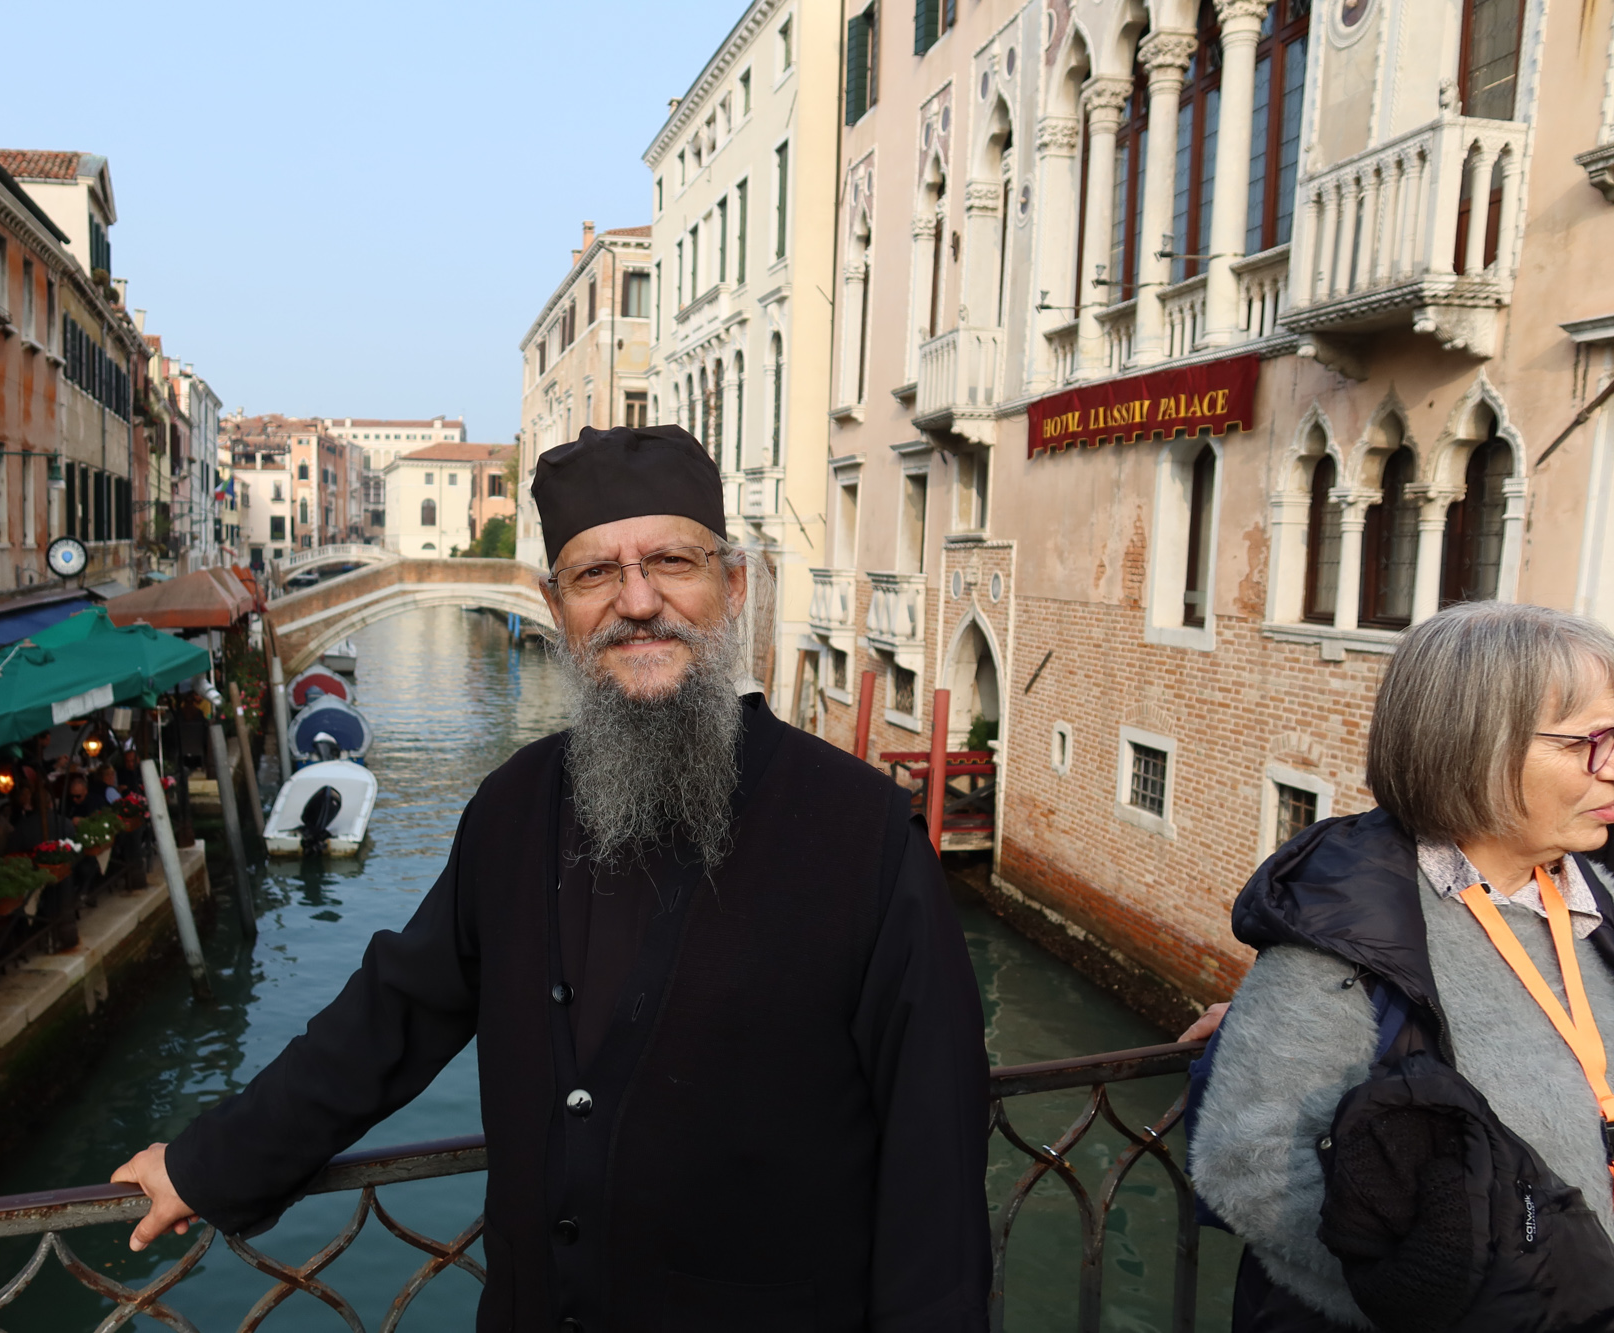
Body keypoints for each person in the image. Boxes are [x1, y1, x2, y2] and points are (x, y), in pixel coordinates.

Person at [113, 424, 993, 1331]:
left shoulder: (865, 837)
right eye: (595, 573)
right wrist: (208, 1164)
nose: (638, 601)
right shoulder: (512, 807)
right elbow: (394, 1014)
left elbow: (936, 1158)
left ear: (732, 586)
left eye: (672, 562)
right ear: (555, 604)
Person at [1191, 602, 1614, 1330]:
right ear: (1475, 745)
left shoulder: (1596, 896)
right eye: (1592, 742)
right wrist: (1463, 1304)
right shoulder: (1341, 942)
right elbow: (1252, 1171)